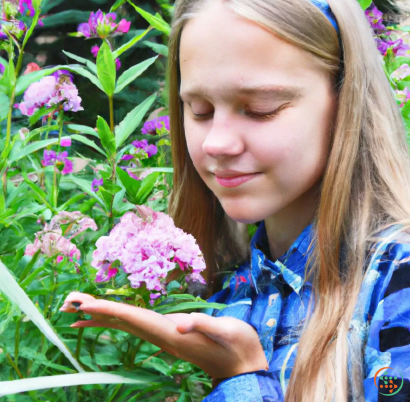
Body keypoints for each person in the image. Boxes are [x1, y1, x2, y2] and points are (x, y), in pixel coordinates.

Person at [60, 0, 410, 400]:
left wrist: (240, 377)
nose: (217, 142)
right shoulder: (219, 292)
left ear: (345, 101)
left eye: (261, 109)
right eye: (200, 110)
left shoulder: (396, 284)